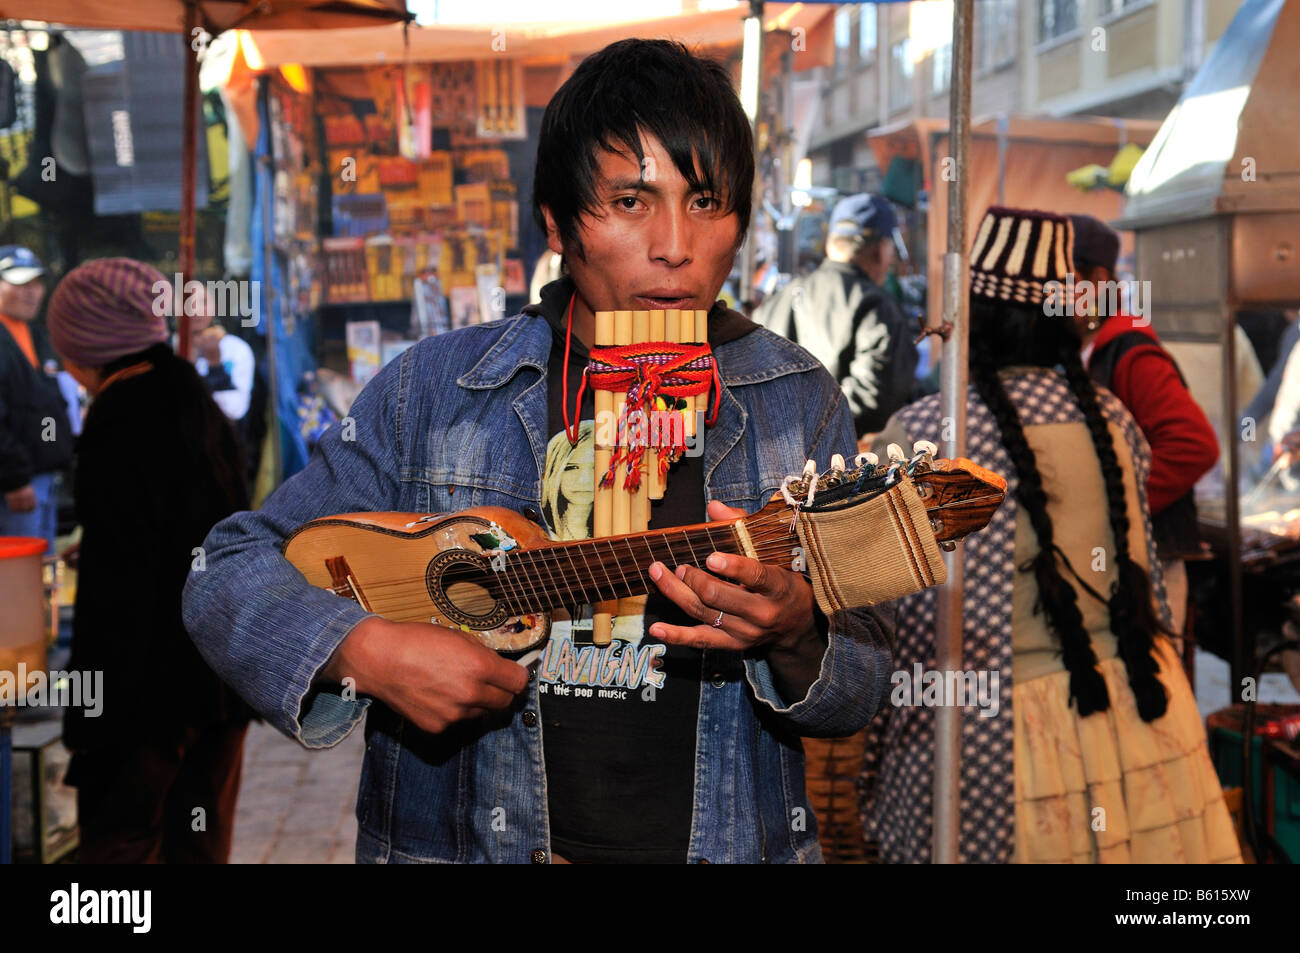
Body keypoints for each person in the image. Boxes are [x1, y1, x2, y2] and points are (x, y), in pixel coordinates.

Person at [183, 38, 892, 865]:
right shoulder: (436, 390)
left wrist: (798, 631)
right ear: (557, 224)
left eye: (705, 200)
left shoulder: (794, 396)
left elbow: (864, 677)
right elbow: (224, 567)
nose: (675, 244)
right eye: (631, 201)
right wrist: (362, 651)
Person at [860, 207, 1240, 864]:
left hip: (1002, 745)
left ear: (972, 314)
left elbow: (880, 612)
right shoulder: (1115, 421)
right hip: (1145, 717)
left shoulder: (929, 433)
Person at [46, 258, 254, 864]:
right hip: (216, 680)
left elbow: (124, 594)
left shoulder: (119, 414)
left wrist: (95, 723)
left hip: (147, 697)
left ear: (85, 345)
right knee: (199, 844)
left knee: (121, 857)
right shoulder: (188, 392)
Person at [1069, 214, 1218, 637]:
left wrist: (1120, 509)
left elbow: (1194, 445)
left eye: (1062, 280)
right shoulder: (1086, 349)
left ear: (1097, 279)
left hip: (1150, 560)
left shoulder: (1129, 351)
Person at [753, 193, 918, 438]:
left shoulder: (778, 300)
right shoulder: (878, 307)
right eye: (892, 249)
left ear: (831, 243)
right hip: (843, 468)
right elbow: (877, 398)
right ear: (881, 250)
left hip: (771, 460)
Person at [0, 245, 73, 554]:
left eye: (37, 283)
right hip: (15, 488)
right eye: (20, 283)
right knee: (16, 583)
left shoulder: (36, 334)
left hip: (44, 479)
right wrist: (13, 478)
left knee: (41, 577)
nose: (32, 293)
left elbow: (45, 407)